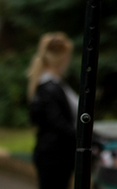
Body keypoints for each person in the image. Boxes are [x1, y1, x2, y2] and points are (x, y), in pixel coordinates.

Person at [26, 32, 79, 189]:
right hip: (54, 155)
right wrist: (85, 138)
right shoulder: (49, 87)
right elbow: (58, 123)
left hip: (55, 154)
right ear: (62, 57)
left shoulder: (51, 84)